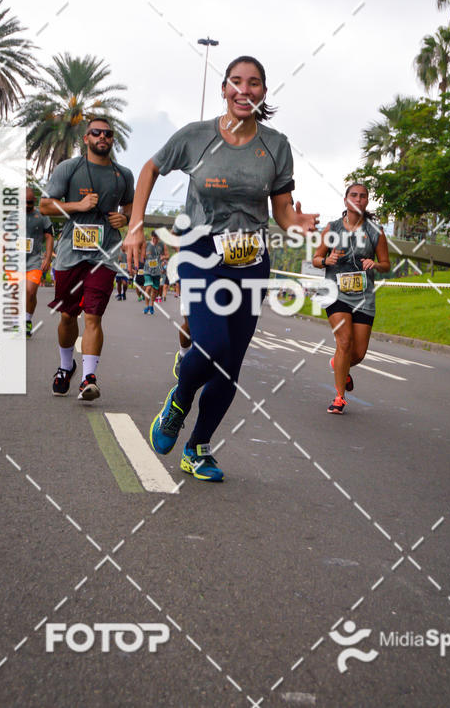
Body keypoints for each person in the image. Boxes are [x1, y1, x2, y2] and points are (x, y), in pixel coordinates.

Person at [125, 55, 318, 481]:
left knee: (230, 363)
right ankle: (179, 399)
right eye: (236, 81)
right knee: (211, 346)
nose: (244, 90)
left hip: (251, 260)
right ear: (225, 88)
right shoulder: (196, 136)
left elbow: (282, 210)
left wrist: (296, 223)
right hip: (200, 251)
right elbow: (151, 168)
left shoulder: (276, 146)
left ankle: (198, 448)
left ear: (263, 92)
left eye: (254, 83)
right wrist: (135, 225)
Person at [39, 116, 134, 401]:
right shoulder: (69, 168)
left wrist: (125, 218)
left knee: (94, 315)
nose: (102, 137)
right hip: (70, 254)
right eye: (96, 132)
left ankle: (88, 378)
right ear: (86, 138)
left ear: (112, 139)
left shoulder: (123, 175)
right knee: (68, 316)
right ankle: (66, 366)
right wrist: (77, 205)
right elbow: (45, 206)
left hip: (105, 254)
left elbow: (130, 206)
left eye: (108, 133)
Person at [312, 183, 390, 415]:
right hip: (335, 292)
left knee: (358, 354)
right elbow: (316, 258)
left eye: (363, 196)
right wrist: (327, 260)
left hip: (363, 296)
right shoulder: (332, 228)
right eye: (353, 195)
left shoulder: (376, 231)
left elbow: (386, 264)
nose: (358, 199)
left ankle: (339, 364)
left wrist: (375, 264)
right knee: (344, 342)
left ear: (367, 201)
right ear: (345, 200)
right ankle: (339, 398)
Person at [23, 188, 54, 336]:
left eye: (29, 202)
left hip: (34, 260)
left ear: (34, 201)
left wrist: (47, 258)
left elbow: (49, 236)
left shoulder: (42, 216)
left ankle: (27, 320)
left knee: (30, 292)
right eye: (24, 202)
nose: (26, 205)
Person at [143, 230, 167, 314]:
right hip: (147, 269)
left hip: (157, 270)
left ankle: (151, 305)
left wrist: (163, 258)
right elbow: (141, 254)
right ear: (151, 237)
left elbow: (167, 255)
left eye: (157, 238)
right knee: (148, 287)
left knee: (155, 290)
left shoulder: (162, 245)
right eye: (153, 238)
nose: (155, 240)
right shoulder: (146, 244)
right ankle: (146, 305)